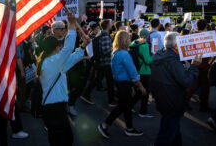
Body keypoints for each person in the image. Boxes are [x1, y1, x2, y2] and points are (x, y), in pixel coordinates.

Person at [39, 12, 90, 146]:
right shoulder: (51, 63)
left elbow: (71, 60)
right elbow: (68, 50)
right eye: (58, 46)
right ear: (54, 48)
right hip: (53, 108)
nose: (60, 47)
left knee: (59, 139)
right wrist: (72, 25)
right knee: (65, 140)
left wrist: (83, 46)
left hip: (56, 107)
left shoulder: (52, 62)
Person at [151, 32, 201, 146]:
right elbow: (187, 81)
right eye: (182, 43)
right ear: (175, 46)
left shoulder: (160, 54)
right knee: (166, 135)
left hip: (164, 99)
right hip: (172, 101)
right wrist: (194, 66)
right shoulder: (171, 60)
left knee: (172, 130)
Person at [97, 31, 146, 139]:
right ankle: (104, 125)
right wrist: (141, 86)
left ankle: (129, 128)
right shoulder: (124, 54)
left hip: (120, 83)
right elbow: (133, 72)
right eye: (128, 38)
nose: (130, 40)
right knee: (122, 107)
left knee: (126, 107)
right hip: (124, 84)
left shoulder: (115, 51)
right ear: (124, 40)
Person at [81, 19, 116, 107]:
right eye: (111, 24)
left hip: (101, 62)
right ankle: (111, 100)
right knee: (109, 82)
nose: (112, 25)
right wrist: (113, 50)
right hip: (105, 62)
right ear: (107, 26)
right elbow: (105, 50)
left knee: (98, 79)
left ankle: (86, 94)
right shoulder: (105, 36)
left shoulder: (101, 35)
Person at [186, 19, 213, 112]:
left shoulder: (192, 35)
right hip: (203, 64)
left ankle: (185, 102)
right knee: (204, 85)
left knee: (196, 84)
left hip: (194, 63)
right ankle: (203, 106)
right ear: (205, 26)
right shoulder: (207, 36)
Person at [129, 28, 154, 118]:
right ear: (147, 36)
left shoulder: (136, 42)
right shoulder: (145, 46)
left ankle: (134, 107)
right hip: (145, 70)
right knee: (144, 92)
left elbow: (130, 45)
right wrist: (155, 55)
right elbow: (148, 61)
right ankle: (142, 111)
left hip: (138, 69)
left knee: (142, 91)